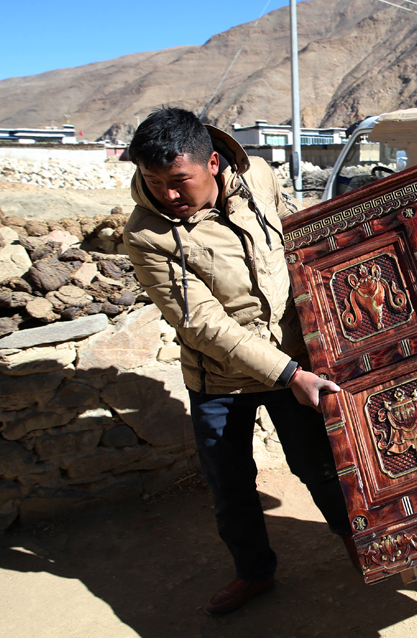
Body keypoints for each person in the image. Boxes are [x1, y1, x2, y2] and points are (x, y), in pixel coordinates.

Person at [122, 108, 350, 616]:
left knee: (321, 466)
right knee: (230, 485)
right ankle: (254, 572)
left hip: (294, 357)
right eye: (153, 182)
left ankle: (362, 541)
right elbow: (202, 324)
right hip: (221, 377)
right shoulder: (145, 235)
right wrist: (290, 374)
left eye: (179, 181)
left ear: (215, 163)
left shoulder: (260, 177)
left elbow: (298, 241)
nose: (168, 195)